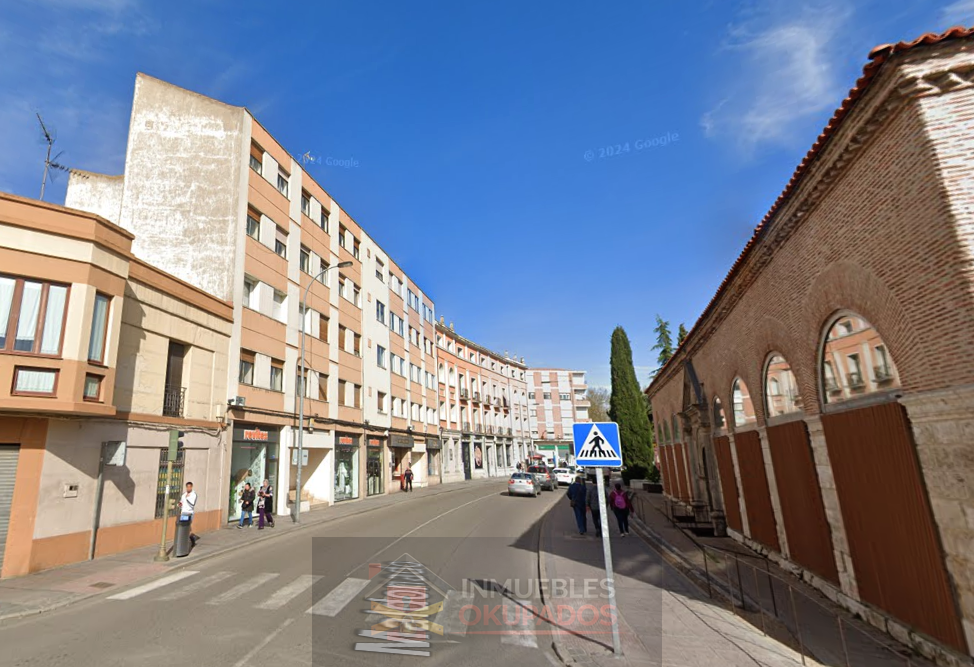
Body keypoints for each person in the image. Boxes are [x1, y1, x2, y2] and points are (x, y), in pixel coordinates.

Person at [178, 482, 198, 546]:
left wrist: (187, 499)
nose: (188, 488)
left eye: (190, 487)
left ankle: (191, 540)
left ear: (191, 487)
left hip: (189, 513)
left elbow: (192, 504)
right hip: (183, 513)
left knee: (187, 526)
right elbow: (181, 503)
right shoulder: (184, 495)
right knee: (183, 527)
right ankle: (186, 539)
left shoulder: (193, 494)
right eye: (187, 487)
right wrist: (180, 504)